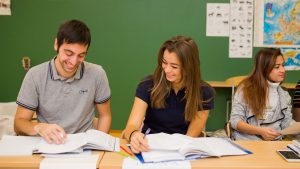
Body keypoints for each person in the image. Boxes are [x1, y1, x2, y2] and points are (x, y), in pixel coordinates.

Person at [14, 19, 112, 144]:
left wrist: (98, 143)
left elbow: (105, 115)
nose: (73, 61)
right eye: (69, 53)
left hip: (85, 145)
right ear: (56, 44)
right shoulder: (35, 75)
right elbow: (19, 123)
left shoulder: (97, 74)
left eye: (81, 55)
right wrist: (39, 128)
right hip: (49, 144)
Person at [123, 36, 214, 153]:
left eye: (174, 66)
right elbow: (131, 125)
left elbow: (190, 136)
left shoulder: (204, 93)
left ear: (189, 68)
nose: (166, 70)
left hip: (181, 149)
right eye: (164, 63)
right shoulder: (147, 85)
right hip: (148, 147)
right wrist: (133, 134)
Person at [230, 48, 295, 140]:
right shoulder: (245, 90)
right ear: (264, 68)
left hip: (275, 144)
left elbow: (286, 123)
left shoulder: (284, 94)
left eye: (283, 65)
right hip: (248, 141)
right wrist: (260, 131)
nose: (283, 70)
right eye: (277, 67)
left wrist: (295, 127)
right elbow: (235, 121)